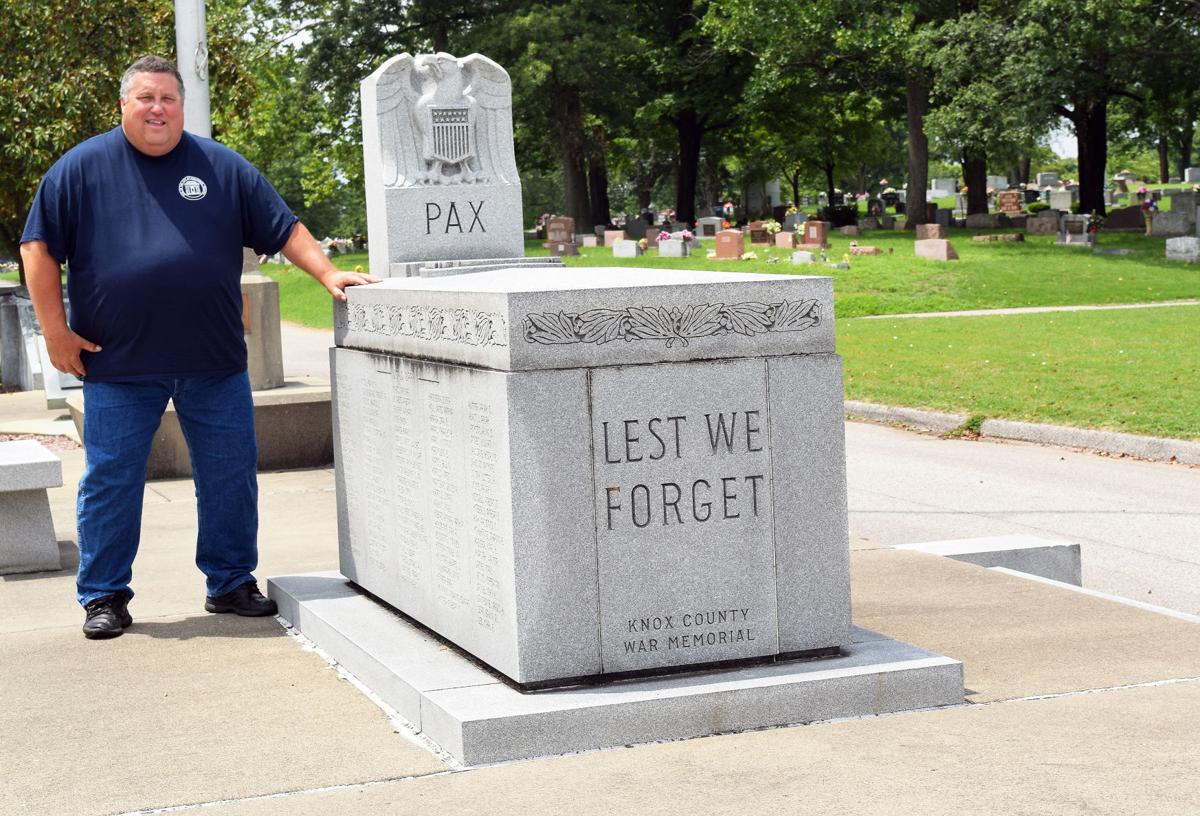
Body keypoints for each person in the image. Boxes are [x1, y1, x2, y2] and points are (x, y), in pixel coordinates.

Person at [19, 55, 379, 639]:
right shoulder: (79, 169)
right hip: (118, 364)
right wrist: (56, 333)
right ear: (123, 104)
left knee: (230, 475)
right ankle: (104, 594)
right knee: (111, 482)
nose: (157, 108)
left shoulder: (221, 166)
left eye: (168, 98)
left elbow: (284, 227)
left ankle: (230, 581)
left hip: (213, 362)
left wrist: (327, 272)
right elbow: (38, 248)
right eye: (145, 98)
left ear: (181, 106)